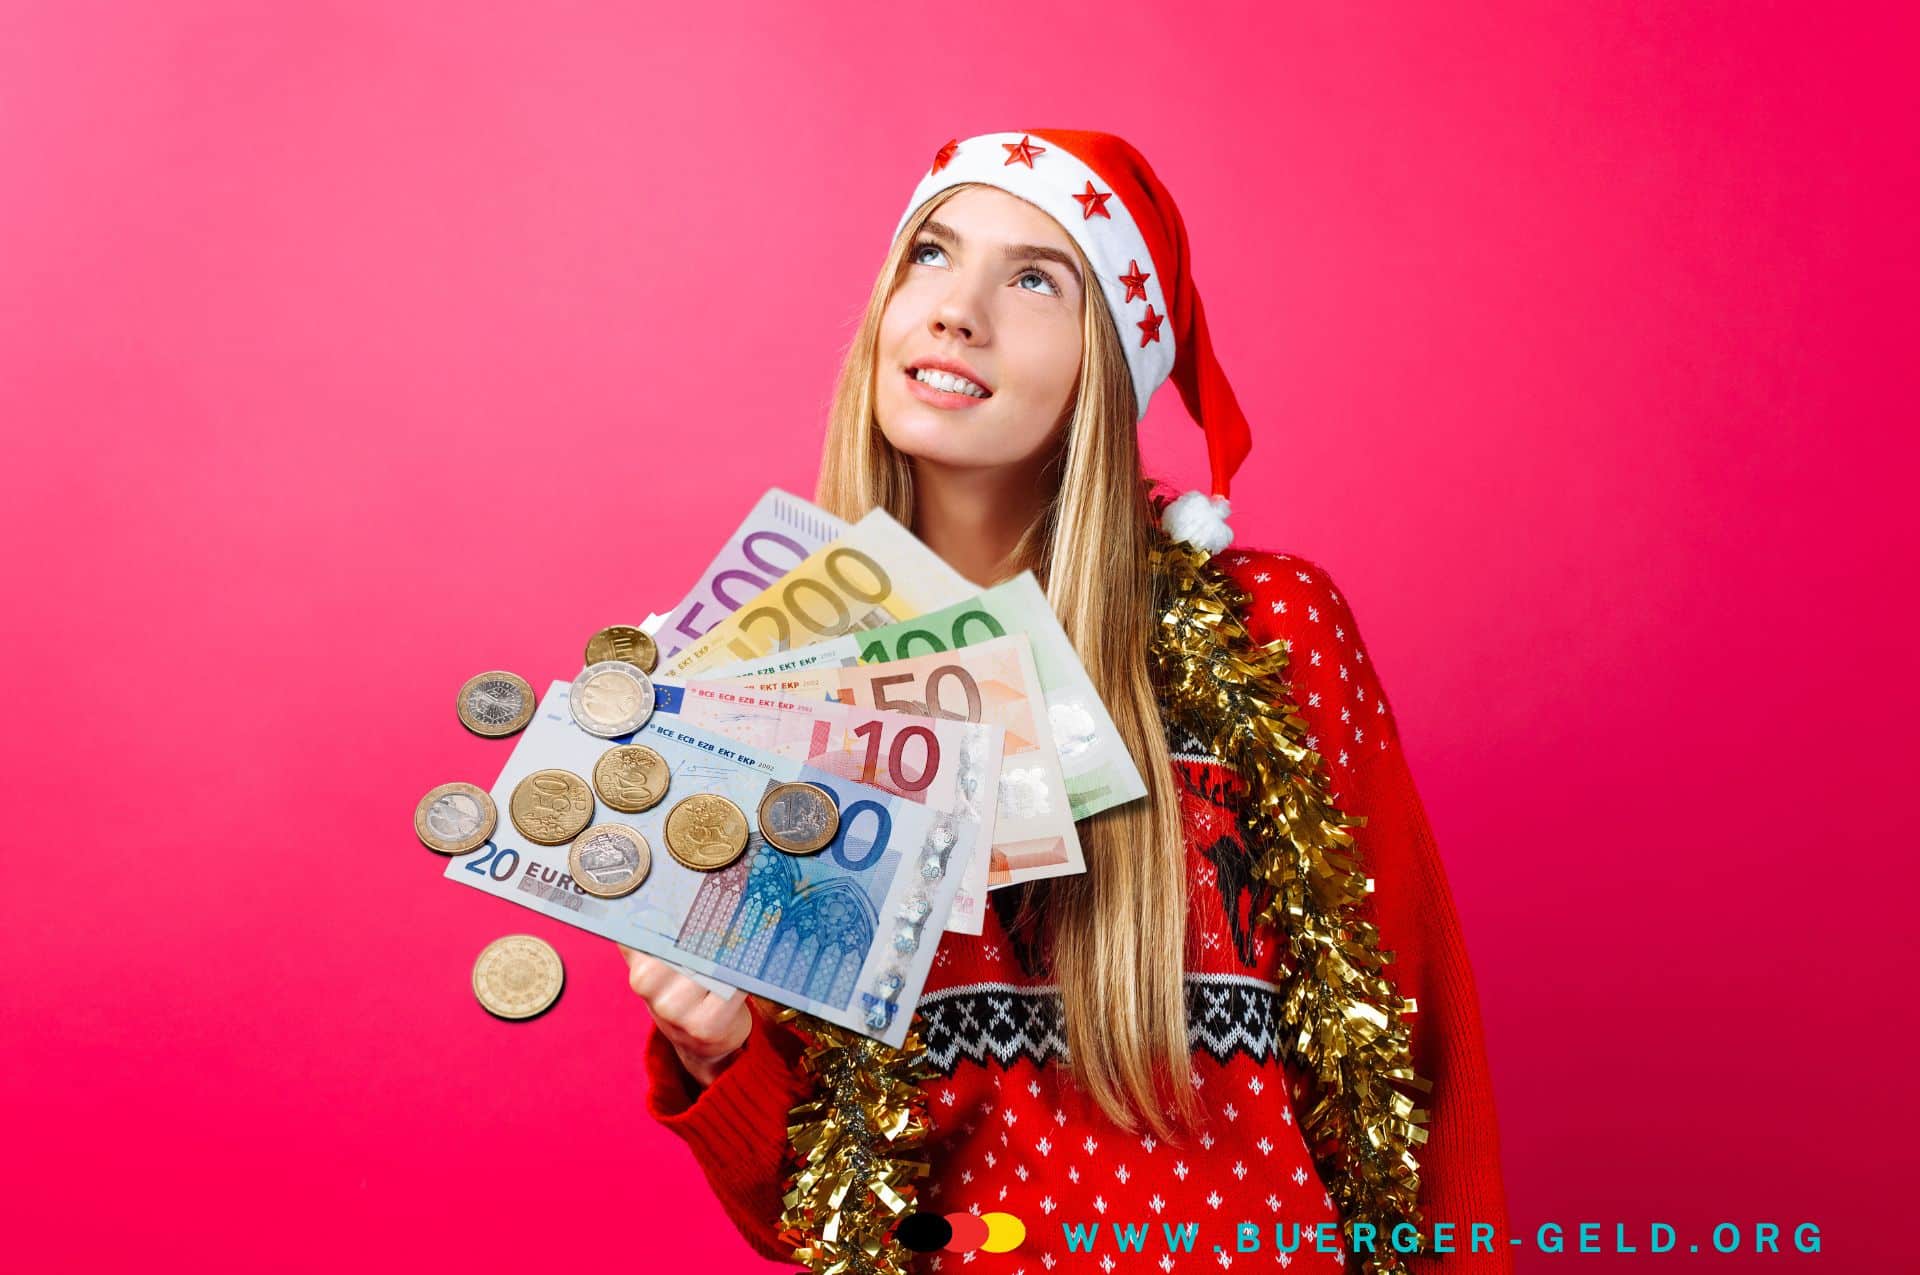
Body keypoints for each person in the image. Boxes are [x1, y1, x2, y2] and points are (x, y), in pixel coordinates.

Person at [620, 129, 1512, 1272]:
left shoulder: (1270, 629)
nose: (957, 310)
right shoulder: (773, 686)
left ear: (1111, 359)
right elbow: (823, 1216)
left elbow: (1419, 1060)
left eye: (1036, 277)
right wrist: (719, 1050)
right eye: (931, 255)